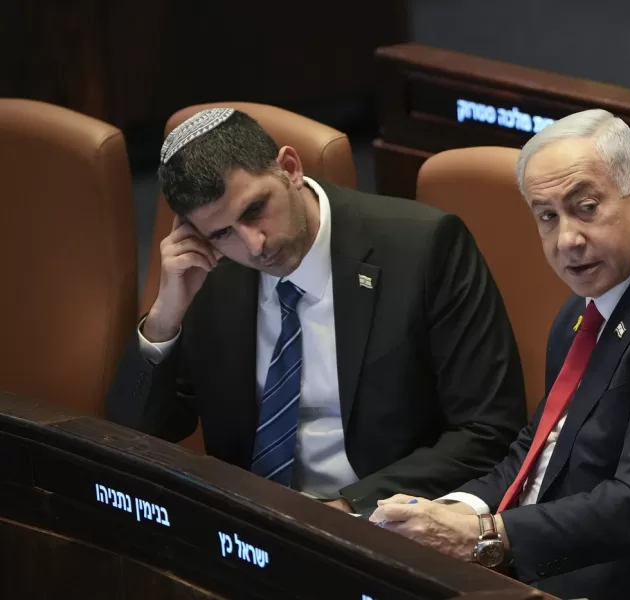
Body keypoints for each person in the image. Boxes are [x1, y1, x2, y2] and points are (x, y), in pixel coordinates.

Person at [370, 109, 630, 599]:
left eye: (585, 207)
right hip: (565, 556)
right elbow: (541, 448)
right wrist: (454, 512)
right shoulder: (593, 297)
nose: (567, 240)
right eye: (547, 217)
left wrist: (483, 538)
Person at [106, 108, 526, 513]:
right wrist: (166, 316)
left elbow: (487, 431)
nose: (254, 245)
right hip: (248, 527)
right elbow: (132, 437)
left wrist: (348, 510)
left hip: (380, 519)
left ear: (289, 168)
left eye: (255, 209)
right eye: (222, 233)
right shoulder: (211, 271)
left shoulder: (424, 247)